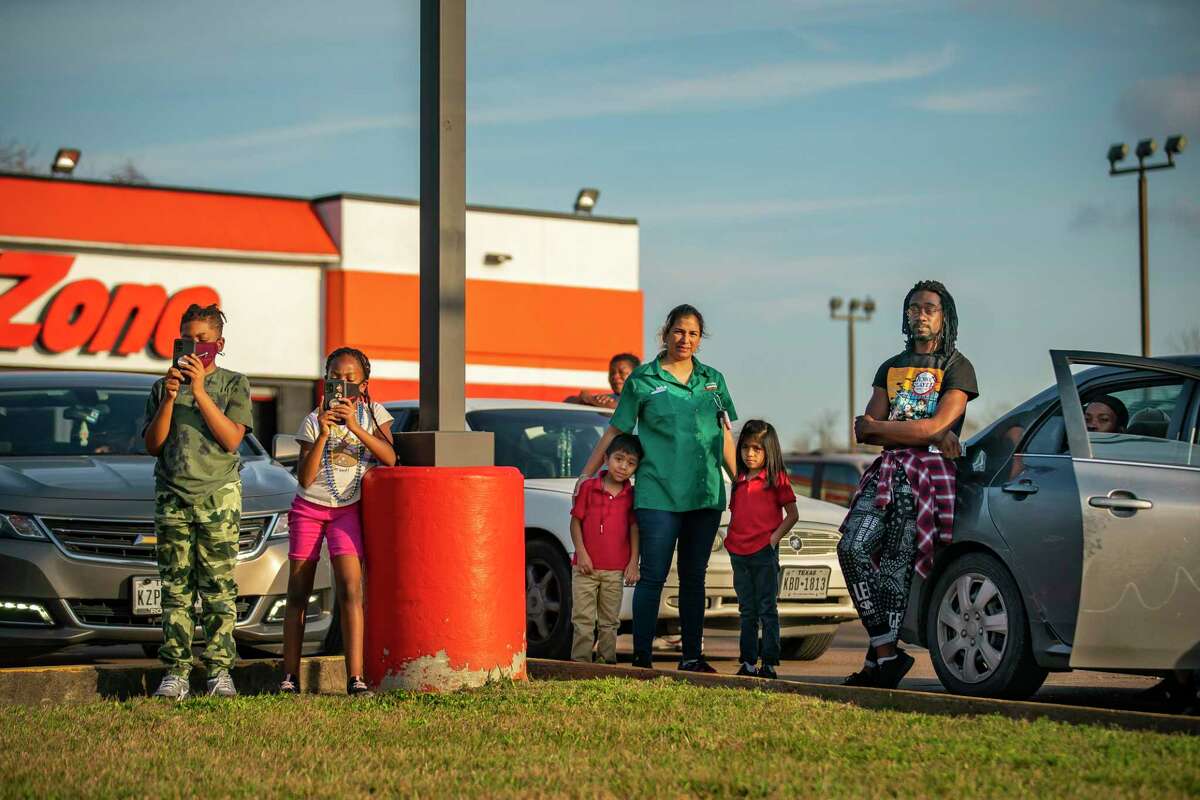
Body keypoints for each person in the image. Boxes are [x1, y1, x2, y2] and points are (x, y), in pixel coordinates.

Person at [576, 304, 737, 672]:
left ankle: (693, 658)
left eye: (693, 333)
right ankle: (643, 659)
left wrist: (743, 481)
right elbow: (617, 430)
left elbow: (725, 435)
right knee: (654, 575)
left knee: (695, 578)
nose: (685, 339)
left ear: (700, 339)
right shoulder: (642, 380)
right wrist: (588, 473)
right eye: (679, 331)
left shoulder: (714, 380)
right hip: (658, 495)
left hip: (705, 494)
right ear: (666, 333)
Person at [837, 280, 978, 689]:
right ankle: (887, 652)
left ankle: (877, 665)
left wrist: (919, 431)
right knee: (852, 547)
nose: (920, 314)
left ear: (945, 316)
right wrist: (921, 432)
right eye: (914, 307)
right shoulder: (891, 366)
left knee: (895, 570)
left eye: (929, 308)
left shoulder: (956, 366)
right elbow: (865, 430)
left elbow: (937, 425)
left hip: (928, 478)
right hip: (887, 470)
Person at [144, 304, 254, 700]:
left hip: (217, 495)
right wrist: (171, 398)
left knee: (218, 589)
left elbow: (231, 439)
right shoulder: (162, 387)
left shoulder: (233, 384)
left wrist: (200, 391)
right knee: (175, 590)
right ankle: (176, 671)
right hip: (172, 494)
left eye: (202, 341)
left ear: (218, 345)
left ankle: (220, 672)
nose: (194, 348)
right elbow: (153, 444)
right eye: (187, 340)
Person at [279, 347, 396, 697]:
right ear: (326, 381)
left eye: (350, 380)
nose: (342, 387)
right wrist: (324, 434)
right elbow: (305, 477)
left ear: (364, 384)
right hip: (310, 508)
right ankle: (289, 676)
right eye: (335, 379)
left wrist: (356, 427)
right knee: (298, 590)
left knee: (350, 589)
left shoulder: (375, 414)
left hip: (348, 510)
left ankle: (355, 677)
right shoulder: (314, 419)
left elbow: (389, 458)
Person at [727, 420, 798, 680]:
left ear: (769, 450)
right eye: (745, 447)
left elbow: (792, 514)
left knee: (767, 609)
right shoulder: (739, 479)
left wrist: (773, 539)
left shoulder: (776, 478)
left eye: (757, 449)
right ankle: (747, 663)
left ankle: (768, 664)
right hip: (739, 553)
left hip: (764, 553)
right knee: (747, 611)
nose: (750, 454)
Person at [569, 432, 643, 664]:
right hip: (584, 568)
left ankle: (607, 662)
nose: (623, 467)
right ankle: (580, 663)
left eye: (631, 463)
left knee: (610, 621)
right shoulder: (589, 488)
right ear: (606, 458)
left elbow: (634, 530)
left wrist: (633, 562)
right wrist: (581, 553)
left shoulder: (632, 495)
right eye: (618, 459)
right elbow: (575, 522)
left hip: (614, 571)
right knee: (582, 619)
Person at [565, 353, 640, 409]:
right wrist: (584, 399)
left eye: (622, 372)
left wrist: (589, 398)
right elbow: (569, 401)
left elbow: (622, 409)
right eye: (612, 373)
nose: (615, 377)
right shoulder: (607, 399)